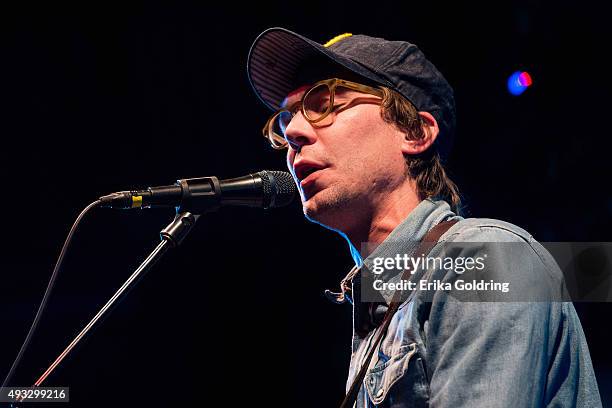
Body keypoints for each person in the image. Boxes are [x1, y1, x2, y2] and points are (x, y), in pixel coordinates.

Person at [247, 27, 602, 407]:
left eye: (324, 103)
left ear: (414, 132)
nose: (295, 132)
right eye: (285, 121)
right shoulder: (380, 309)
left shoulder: (483, 257)